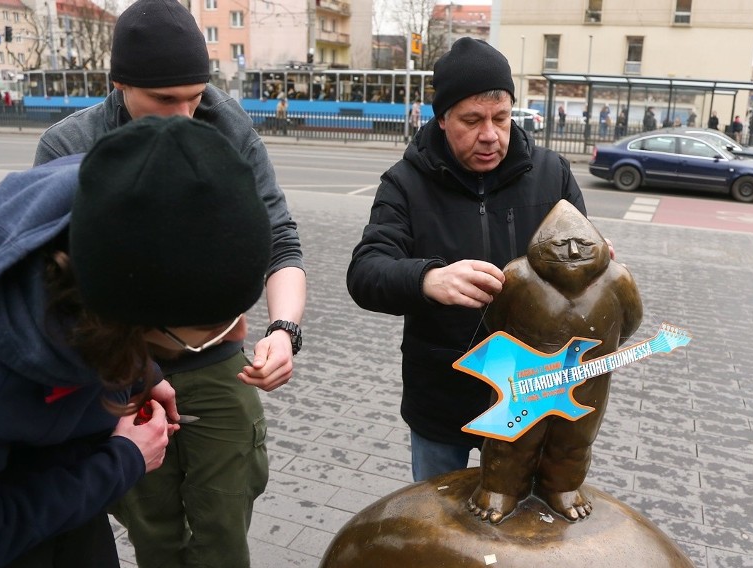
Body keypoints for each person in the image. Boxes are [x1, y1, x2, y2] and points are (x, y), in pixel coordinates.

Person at [32, 1, 306, 566]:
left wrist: (284, 329)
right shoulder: (69, 147)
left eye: (195, 97)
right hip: (122, 370)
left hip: (220, 363)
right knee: (151, 529)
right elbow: (53, 282)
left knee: (224, 530)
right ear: (119, 84)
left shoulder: (227, 123)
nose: (184, 115)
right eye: (164, 100)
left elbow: (280, 237)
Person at [0, 116, 272, 568]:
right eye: (210, 328)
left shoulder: (112, 204)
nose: (239, 334)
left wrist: (143, 373)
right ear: (132, 319)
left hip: (69, 497)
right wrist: (123, 461)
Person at [346, 37, 590, 482]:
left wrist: (594, 264)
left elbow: (581, 270)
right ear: (442, 119)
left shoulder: (552, 173)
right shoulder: (405, 184)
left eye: (501, 117)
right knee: (438, 531)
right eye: (472, 120)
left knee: (526, 531)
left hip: (533, 392)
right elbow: (364, 273)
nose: (490, 135)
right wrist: (427, 279)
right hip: (442, 397)